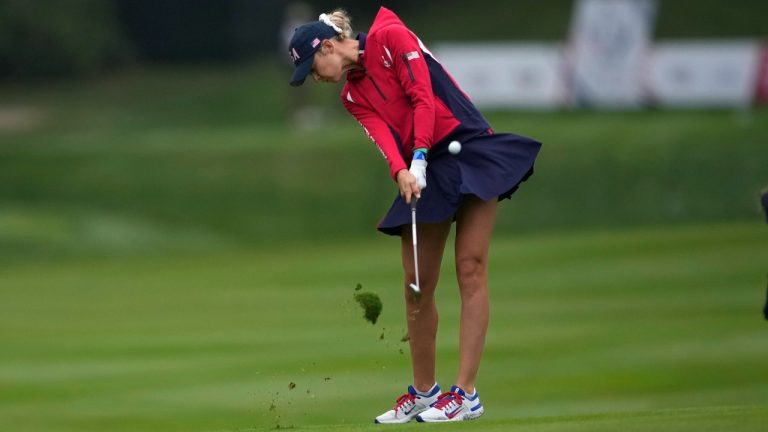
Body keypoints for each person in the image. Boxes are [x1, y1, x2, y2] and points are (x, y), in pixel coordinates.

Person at [287, 7, 541, 423]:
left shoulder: (391, 35)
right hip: (426, 170)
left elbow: (422, 95)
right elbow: (384, 138)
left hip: (469, 147)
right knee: (416, 285)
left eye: (312, 68)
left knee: (471, 268)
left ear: (328, 47)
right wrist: (401, 170)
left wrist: (419, 154)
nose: (315, 78)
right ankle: (425, 393)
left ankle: (466, 395)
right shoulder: (352, 96)